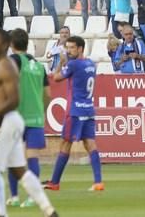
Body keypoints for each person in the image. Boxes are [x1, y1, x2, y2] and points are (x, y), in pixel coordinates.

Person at [0, 30, 58, 217]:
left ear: (7, 45)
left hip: (8, 119)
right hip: (27, 117)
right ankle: (48, 209)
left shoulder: (9, 64)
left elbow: (12, 99)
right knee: (20, 168)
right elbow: (46, 94)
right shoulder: (32, 65)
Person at [46, 36, 104, 191]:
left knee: (65, 143)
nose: (69, 51)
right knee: (90, 143)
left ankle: (55, 182)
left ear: (80, 48)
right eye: (68, 47)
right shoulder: (90, 64)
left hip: (76, 111)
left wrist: (60, 63)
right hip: (89, 109)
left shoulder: (73, 64)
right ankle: (98, 181)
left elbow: (56, 78)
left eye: (72, 48)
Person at [5, 29, 52, 210]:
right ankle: (33, 197)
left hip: (17, 116)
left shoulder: (13, 61)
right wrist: (42, 109)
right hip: (36, 117)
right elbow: (48, 93)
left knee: (12, 157)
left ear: (11, 44)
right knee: (32, 156)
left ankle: (14, 196)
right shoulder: (39, 66)